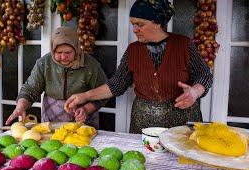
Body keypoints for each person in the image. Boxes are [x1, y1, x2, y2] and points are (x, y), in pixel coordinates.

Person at [65, 0, 213, 133]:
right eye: (133, 24)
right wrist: (84, 96)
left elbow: (205, 75)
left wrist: (194, 92)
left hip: (181, 124)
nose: (134, 29)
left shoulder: (183, 45)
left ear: (157, 22)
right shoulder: (133, 50)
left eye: (140, 24)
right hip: (143, 124)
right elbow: (117, 85)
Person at [6, 26, 107, 129]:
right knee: (52, 144)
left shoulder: (91, 65)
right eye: (58, 53)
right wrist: (21, 106)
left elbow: (104, 93)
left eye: (67, 53)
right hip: (51, 119)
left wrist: (87, 108)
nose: (63, 57)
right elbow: (30, 89)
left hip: (83, 120)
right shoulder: (44, 63)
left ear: (76, 48)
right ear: (52, 50)